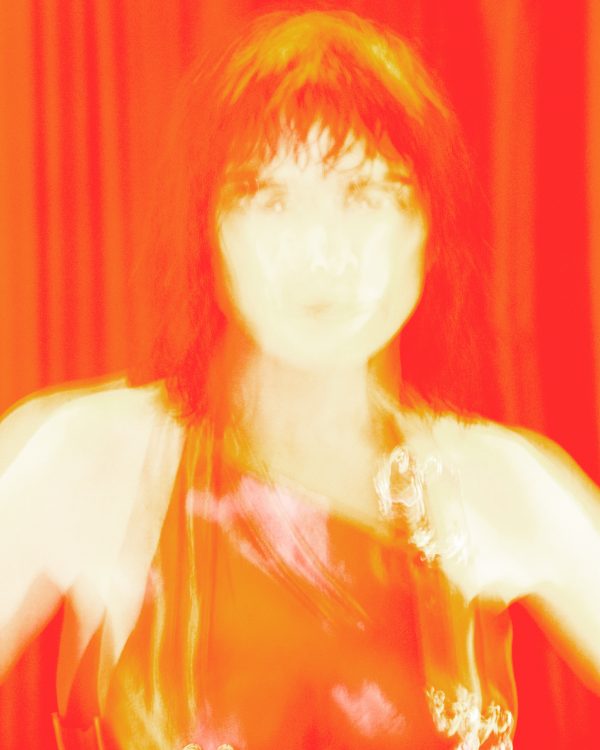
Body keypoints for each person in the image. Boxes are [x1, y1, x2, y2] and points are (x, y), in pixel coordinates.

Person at [1, 8, 599, 749]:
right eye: (269, 198)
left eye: (366, 195)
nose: (321, 252)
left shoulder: (501, 488)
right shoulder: (88, 461)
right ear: (207, 231)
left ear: (430, 228)